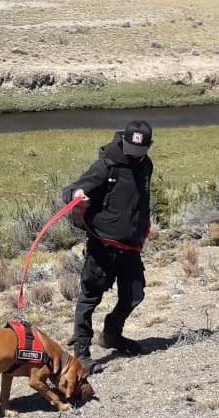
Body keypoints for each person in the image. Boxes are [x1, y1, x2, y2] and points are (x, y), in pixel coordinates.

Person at [61, 120, 154, 374]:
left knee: (134, 295)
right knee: (89, 297)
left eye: (140, 151)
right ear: (123, 140)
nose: (134, 156)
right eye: (130, 149)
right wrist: (78, 194)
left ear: (148, 147)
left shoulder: (146, 165)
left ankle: (112, 335)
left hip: (130, 248)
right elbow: (70, 190)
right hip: (103, 247)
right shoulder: (106, 165)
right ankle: (81, 352)